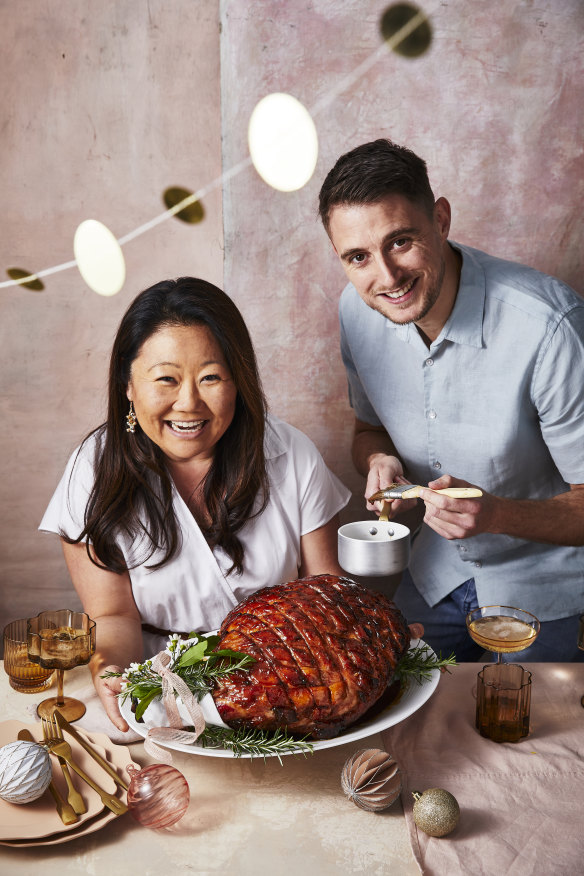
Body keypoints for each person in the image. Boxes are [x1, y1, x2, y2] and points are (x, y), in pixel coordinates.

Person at [40, 277, 353, 730]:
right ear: (127, 384)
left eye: (211, 377)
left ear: (238, 381)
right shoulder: (94, 469)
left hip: (286, 690)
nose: (188, 403)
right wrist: (111, 671)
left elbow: (326, 589)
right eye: (166, 379)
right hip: (163, 697)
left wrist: (366, 630)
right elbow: (113, 615)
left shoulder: (291, 454)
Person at [318, 138, 584, 662]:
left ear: (440, 219)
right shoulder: (356, 309)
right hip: (435, 573)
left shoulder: (550, 327)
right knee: (385, 709)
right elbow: (367, 430)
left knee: (526, 735)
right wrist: (378, 459)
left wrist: (496, 515)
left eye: (400, 241)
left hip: (546, 589)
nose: (386, 278)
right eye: (358, 256)